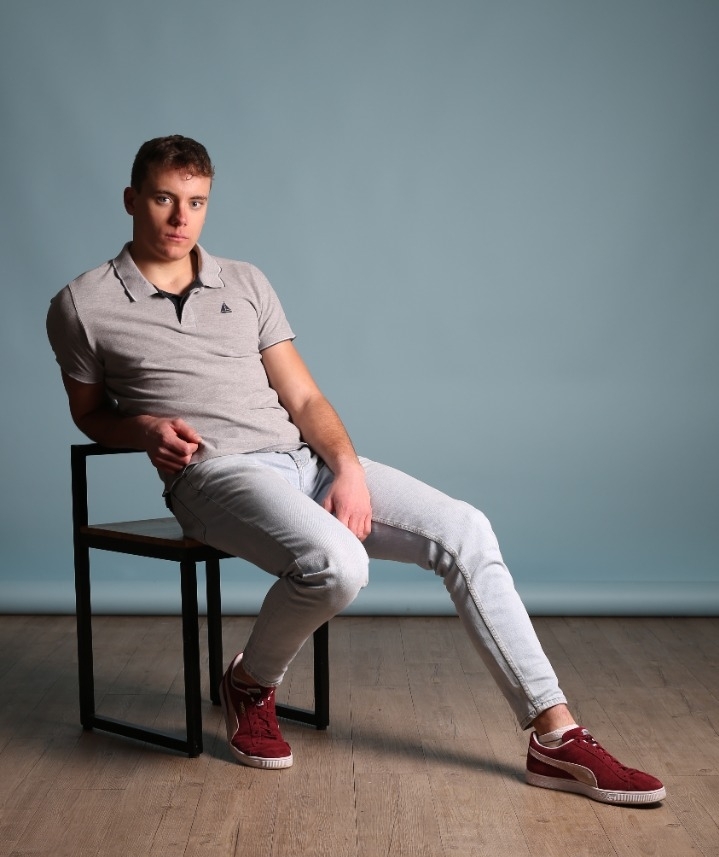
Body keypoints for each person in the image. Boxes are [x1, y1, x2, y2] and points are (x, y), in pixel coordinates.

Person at [47, 135, 665, 805]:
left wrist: (345, 468)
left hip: (303, 461)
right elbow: (90, 414)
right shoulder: (82, 304)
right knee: (339, 565)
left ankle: (554, 735)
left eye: (196, 202)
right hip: (213, 475)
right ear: (131, 199)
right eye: (164, 199)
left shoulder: (246, 282)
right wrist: (143, 429)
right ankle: (250, 683)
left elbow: (305, 399)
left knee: (466, 529)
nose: (180, 218)